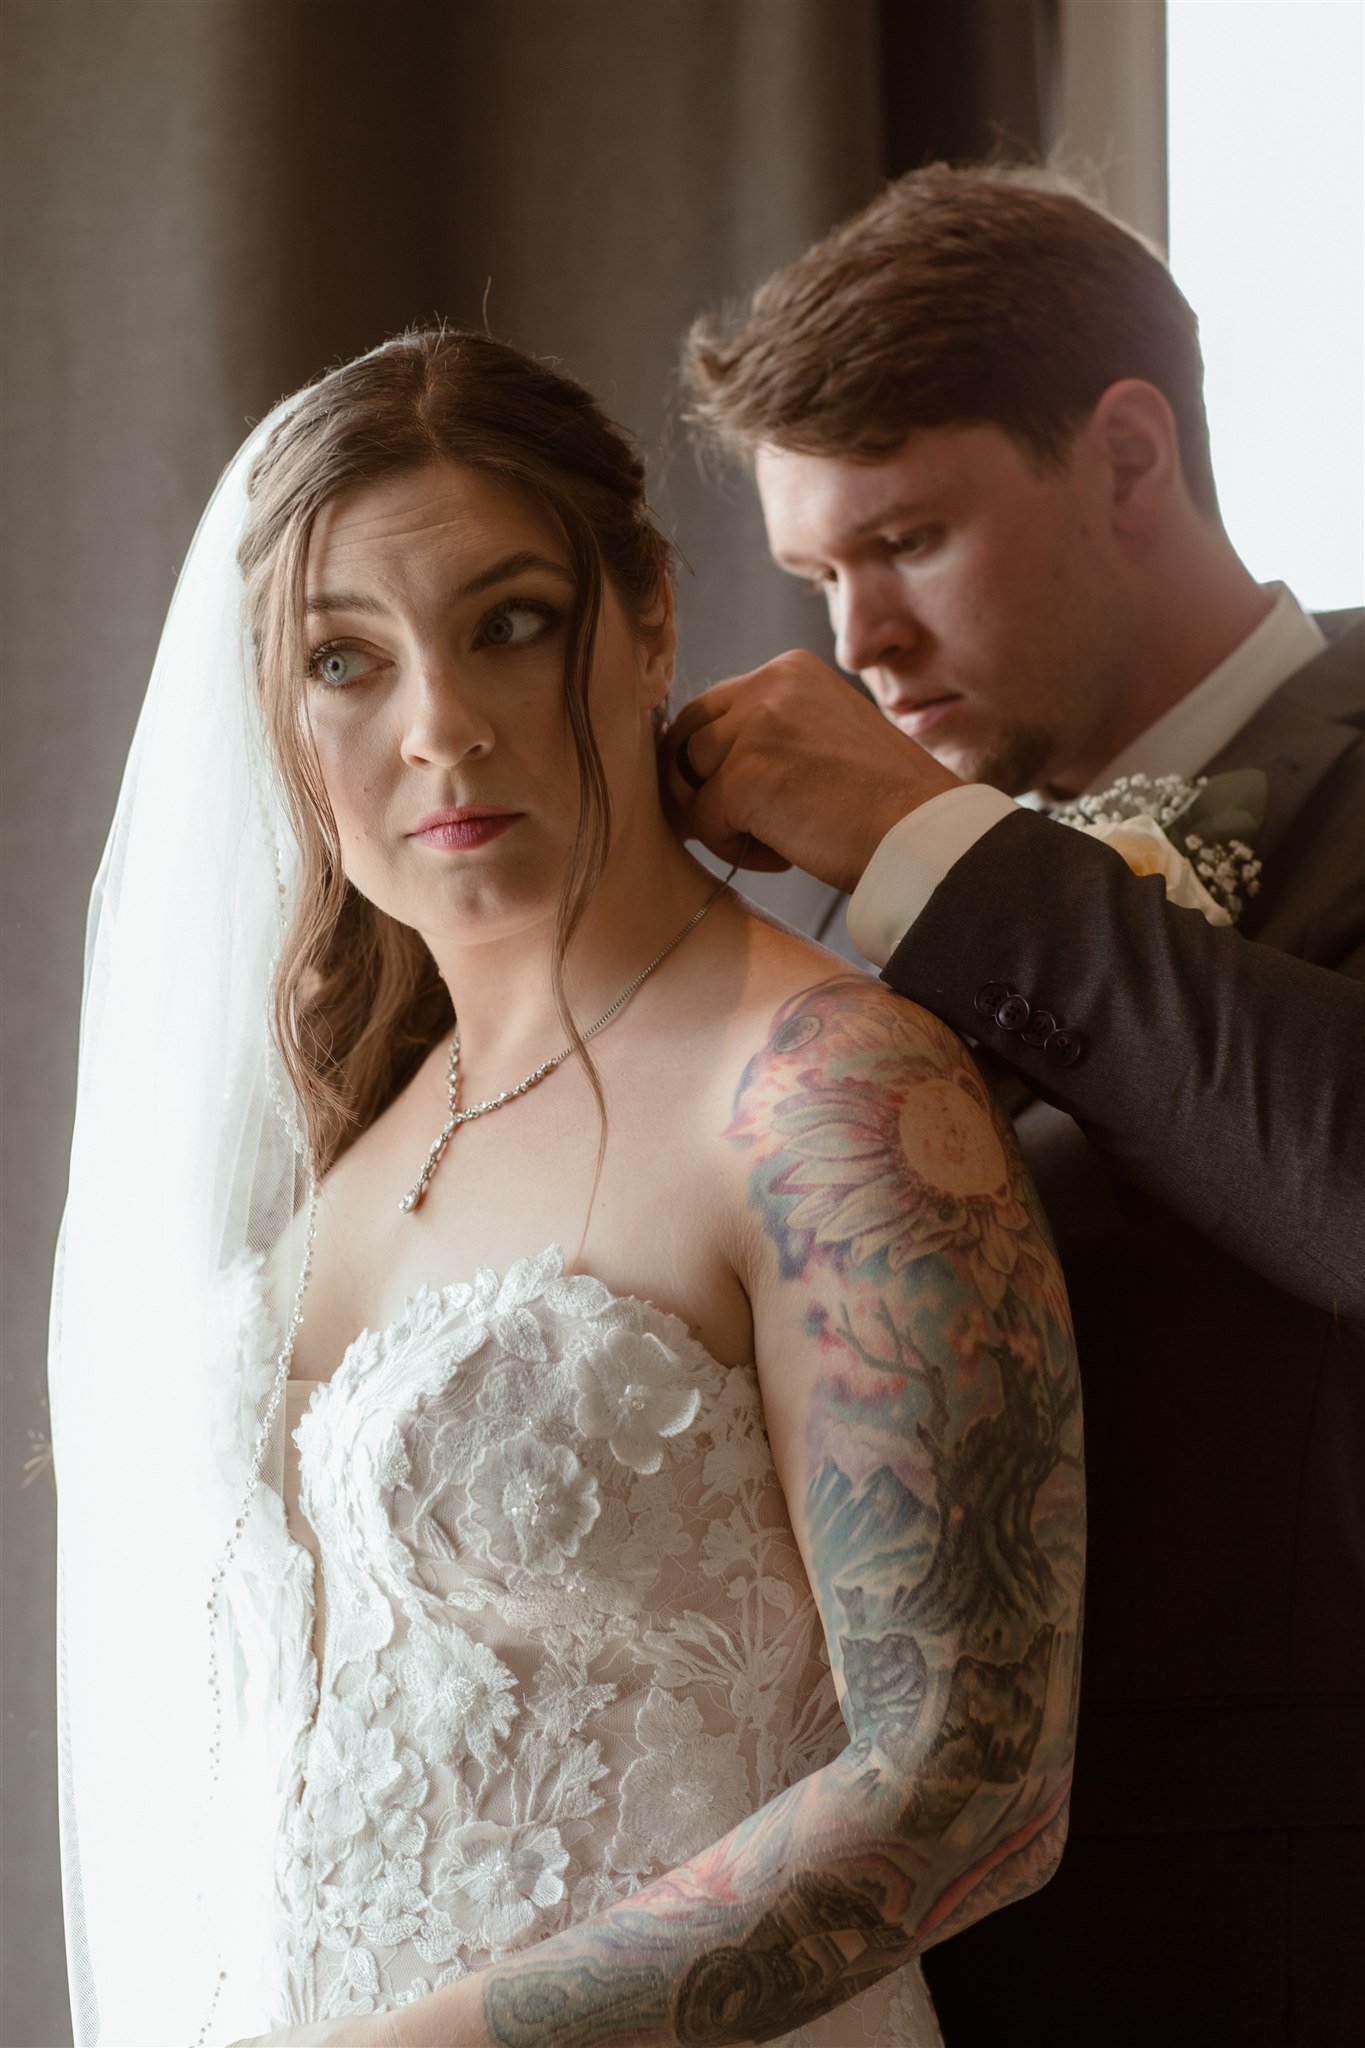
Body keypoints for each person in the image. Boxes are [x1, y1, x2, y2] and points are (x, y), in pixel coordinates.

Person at [50, 327, 1082, 2048]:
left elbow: (972, 1782)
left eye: (506, 624)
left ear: (647, 620)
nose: (438, 727)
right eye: (341, 661)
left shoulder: (823, 1098)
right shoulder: (354, 1135)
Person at [671, 164, 1365, 2045]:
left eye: (902, 540)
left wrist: (927, 848)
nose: (857, 642)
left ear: (1127, 457)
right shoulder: (856, 914)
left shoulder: (923, 858)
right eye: (819, 574)